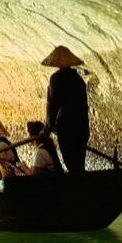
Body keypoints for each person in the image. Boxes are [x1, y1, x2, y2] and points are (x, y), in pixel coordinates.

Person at [42, 45, 90, 173]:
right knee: (79, 164)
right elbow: (84, 106)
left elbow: (52, 105)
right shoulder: (79, 80)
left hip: (67, 127)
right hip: (82, 127)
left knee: (71, 163)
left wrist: (48, 127)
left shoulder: (56, 79)